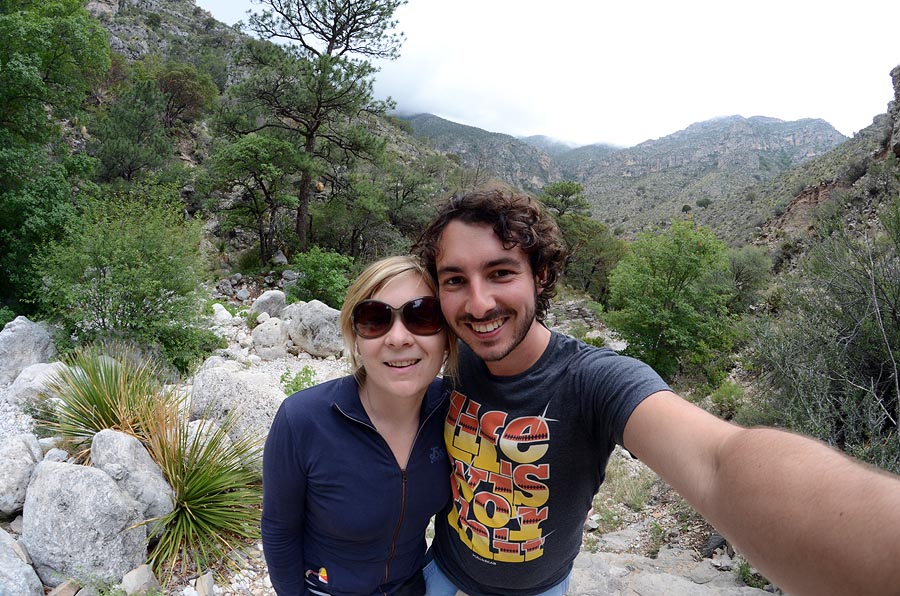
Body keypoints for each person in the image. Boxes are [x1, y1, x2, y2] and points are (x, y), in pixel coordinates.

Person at [412, 190, 900, 596]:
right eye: (455, 280)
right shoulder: (446, 354)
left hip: (538, 587)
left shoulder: (594, 380)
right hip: (443, 569)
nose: (478, 304)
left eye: (501, 273)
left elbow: (716, 461)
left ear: (539, 275)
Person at [261, 255, 458, 596]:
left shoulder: (456, 411)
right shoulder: (303, 419)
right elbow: (279, 530)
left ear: (447, 336)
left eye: (422, 315)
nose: (398, 338)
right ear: (355, 338)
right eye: (374, 319)